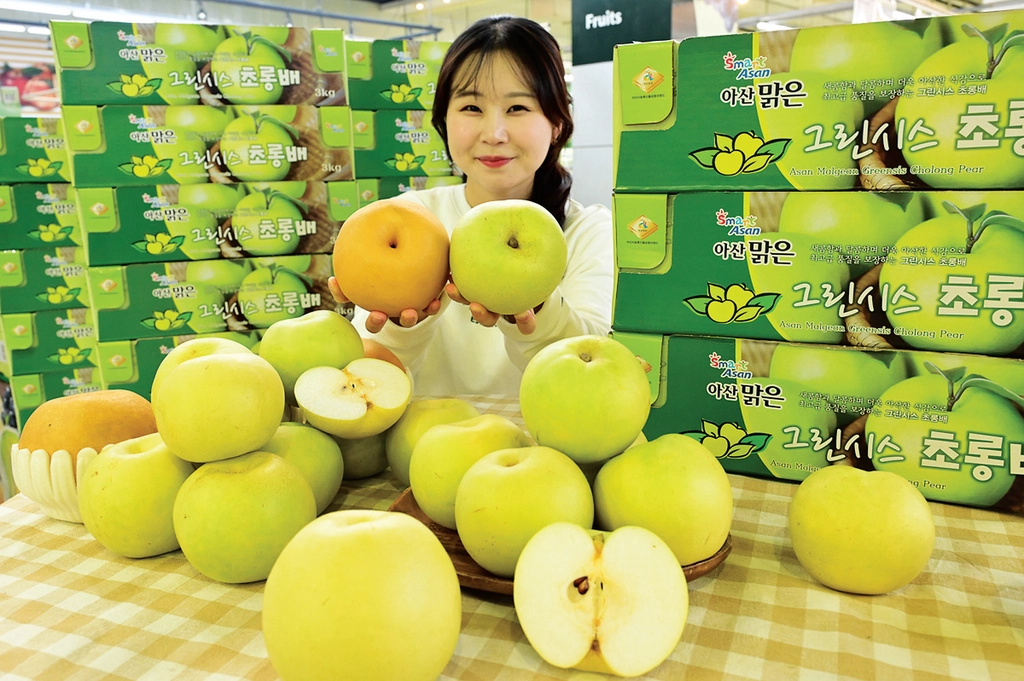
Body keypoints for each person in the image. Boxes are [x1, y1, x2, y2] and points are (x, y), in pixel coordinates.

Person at [329, 15, 613, 397]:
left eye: (518, 108)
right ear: (443, 121)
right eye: (471, 108)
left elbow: (594, 373)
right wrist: (400, 325)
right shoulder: (409, 218)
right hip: (422, 449)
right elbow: (371, 382)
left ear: (557, 124)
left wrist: (535, 312)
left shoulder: (587, 230)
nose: (493, 134)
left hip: (548, 450)